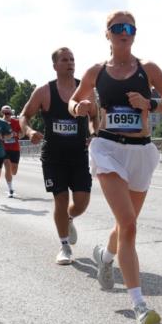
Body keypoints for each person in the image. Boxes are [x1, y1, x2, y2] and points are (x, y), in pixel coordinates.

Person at [70, 10, 162, 324]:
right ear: (107, 34)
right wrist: (80, 107)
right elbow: (74, 102)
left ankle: (104, 257)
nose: (124, 32)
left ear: (135, 33)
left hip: (141, 152)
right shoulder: (96, 72)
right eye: (117, 27)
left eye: (129, 27)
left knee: (124, 225)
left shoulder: (148, 70)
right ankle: (139, 305)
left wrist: (151, 104)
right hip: (107, 149)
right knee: (129, 224)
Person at [20, 47, 93, 265]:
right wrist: (30, 131)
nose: (70, 63)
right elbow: (25, 115)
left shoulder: (86, 89)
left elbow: (95, 116)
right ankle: (64, 246)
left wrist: (93, 133)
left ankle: (69, 218)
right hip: (53, 156)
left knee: (81, 203)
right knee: (60, 199)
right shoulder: (44, 91)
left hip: (79, 155)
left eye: (72, 59)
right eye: (64, 60)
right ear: (55, 65)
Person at [1, 105, 22, 197]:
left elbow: (22, 134)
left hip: (15, 148)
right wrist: (2, 137)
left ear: (11, 113)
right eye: (5, 113)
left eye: (8, 113)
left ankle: (9, 178)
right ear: (2, 113)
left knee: (14, 171)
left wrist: (16, 134)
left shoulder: (16, 122)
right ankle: (10, 189)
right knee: (7, 167)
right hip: (3, 148)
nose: (7, 115)